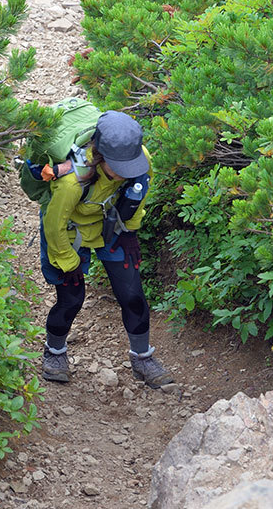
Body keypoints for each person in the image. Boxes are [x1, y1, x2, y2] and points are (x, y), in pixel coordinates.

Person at [38, 110, 174, 388]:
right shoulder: (72, 181)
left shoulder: (139, 160)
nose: (127, 174)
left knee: (132, 293)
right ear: (99, 156)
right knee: (72, 299)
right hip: (68, 233)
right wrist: (67, 260)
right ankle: (55, 352)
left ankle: (142, 358)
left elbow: (140, 190)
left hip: (111, 226)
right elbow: (53, 225)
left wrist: (131, 231)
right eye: (119, 169)